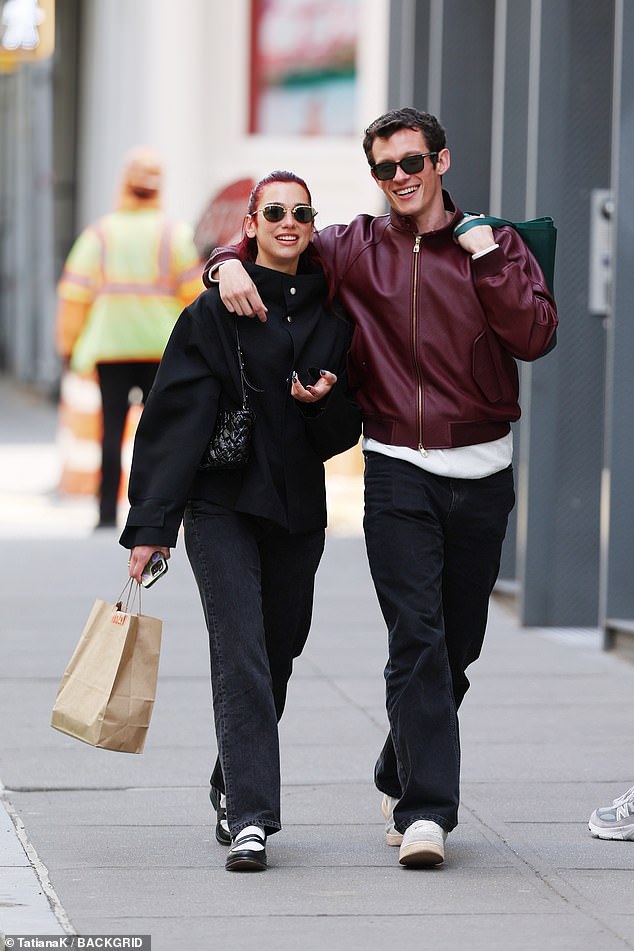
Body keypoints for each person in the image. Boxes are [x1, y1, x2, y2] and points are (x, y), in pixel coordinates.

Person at [206, 108, 558, 868]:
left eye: (411, 163)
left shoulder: (497, 244)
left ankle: (401, 762)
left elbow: (535, 337)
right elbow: (280, 238)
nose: (399, 178)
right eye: (384, 168)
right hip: (396, 467)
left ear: (441, 160)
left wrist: (488, 260)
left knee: (458, 648)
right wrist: (225, 261)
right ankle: (426, 810)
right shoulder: (355, 248)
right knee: (418, 640)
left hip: (484, 470)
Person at [119, 170, 361, 872]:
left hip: (296, 514)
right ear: (250, 224)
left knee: (278, 654)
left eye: (302, 212)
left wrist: (321, 404)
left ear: (312, 227)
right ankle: (252, 816)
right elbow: (171, 423)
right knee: (243, 653)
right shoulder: (212, 313)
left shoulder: (331, 319)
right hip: (220, 505)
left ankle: (231, 778)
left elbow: (343, 430)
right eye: (275, 211)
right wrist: (151, 525)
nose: (289, 221)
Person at [55, 146, 203, 529]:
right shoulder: (176, 234)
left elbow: (74, 295)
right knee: (165, 431)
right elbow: (196, 298)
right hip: (162, 349)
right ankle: (159, 511)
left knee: (111, 429)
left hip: (112, 347)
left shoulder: (100, 235)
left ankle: (106, 514)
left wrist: (68, 346)